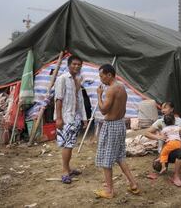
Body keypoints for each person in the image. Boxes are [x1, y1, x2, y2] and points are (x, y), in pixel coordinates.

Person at [94, 64, 139, 199]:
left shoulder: (111, 90)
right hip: (120, 124)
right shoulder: (121, 87)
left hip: (111, 125)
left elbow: (103, 110)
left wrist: (99, 95)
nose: (101, 79)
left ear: (109, 75)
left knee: (106, 159)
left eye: (102, 76)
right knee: (119, 156)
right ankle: (133, 184)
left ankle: (109, 191)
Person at [54, 55, 88, 184]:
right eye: (74, 64)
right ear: (68, 65)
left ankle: (68, 168)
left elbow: (80, 101)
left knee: (70, 144)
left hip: (75, 117)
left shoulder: (77, 80)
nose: (77, 66)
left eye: (79, 65)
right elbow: (58, 99)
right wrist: (58, 118)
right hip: (66, 117)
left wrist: (84, 118)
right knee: (67, 145)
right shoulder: (62, 79)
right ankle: (64, 171)